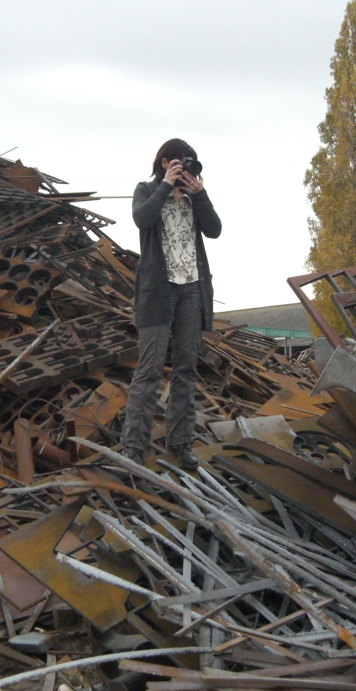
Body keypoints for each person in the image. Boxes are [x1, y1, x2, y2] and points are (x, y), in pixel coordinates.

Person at [122, 138, 222, 471]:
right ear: (166, 163)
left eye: (190, 164)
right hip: (158, 290)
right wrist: (165, 186)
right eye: (181, 163)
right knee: (149, 370)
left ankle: (180, 442)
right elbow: (142, 218)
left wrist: (200, 194)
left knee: (186, 369)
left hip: (192, 288)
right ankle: (134, 447)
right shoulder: (147, 190)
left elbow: (215, 230)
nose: (186, 171)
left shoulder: (194, 198)